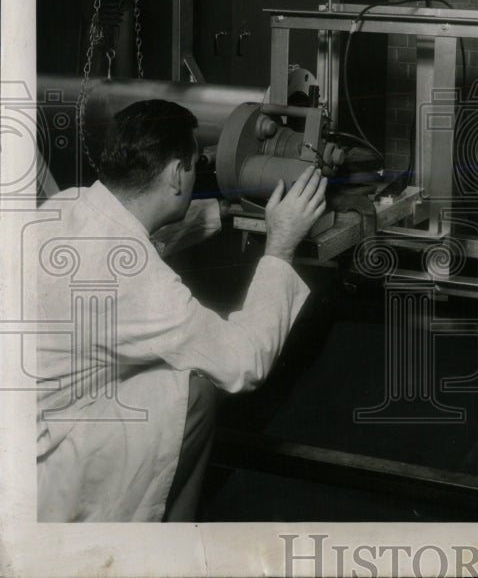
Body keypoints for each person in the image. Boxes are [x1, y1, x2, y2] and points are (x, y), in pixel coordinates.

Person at [33, 99, 328, 522]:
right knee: (194, 390)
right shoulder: (139, 285)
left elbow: (134, 245)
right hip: (44, 463)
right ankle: (171, 551)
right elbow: (244, 363)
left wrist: (222, 212)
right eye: (194, 165)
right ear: (176, 174)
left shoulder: (68, 206)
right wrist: (281, 244)